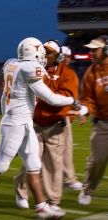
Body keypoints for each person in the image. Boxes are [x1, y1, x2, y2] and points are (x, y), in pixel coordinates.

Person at [0, 37, 77, 219]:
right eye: (40, 52)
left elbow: (8, 94)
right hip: (15, 123)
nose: (42, 56)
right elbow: (51, 98)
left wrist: (9, 111)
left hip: (24, 122)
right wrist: (73, 101)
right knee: (0, 165)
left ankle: (41, 207)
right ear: (32, 53)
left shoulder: (12, 64)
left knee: (33, 165)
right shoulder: (29, 68)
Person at [14, 40, 80, 211]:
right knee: (31, 160)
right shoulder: (34, 70)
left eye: (48, 52)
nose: (44, 54)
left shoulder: (68, 74)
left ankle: (53, 202)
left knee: (54, 165)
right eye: (43, 51)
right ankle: (21, 189)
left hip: (55, 125)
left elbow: (65, 97)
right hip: (35, 123)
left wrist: (45, 96)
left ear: (57, 56)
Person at [68, 35, 108, 205]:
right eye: (90, 49)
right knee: (98, 160)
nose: (91, 52)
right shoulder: (90, 73)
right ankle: (87, 189)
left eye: (95, 49)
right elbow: (88, 99)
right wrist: (84, 109)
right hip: (103, 124)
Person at [61, 46, 83, 190]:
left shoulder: (70, 73)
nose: (67, 59)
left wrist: (79, 110)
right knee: (65, 150)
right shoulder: (57, 73)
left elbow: (74, 96)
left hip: (65, 116)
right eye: (64, 56)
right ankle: (69, 179)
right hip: (60, 117)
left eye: (69, 56)